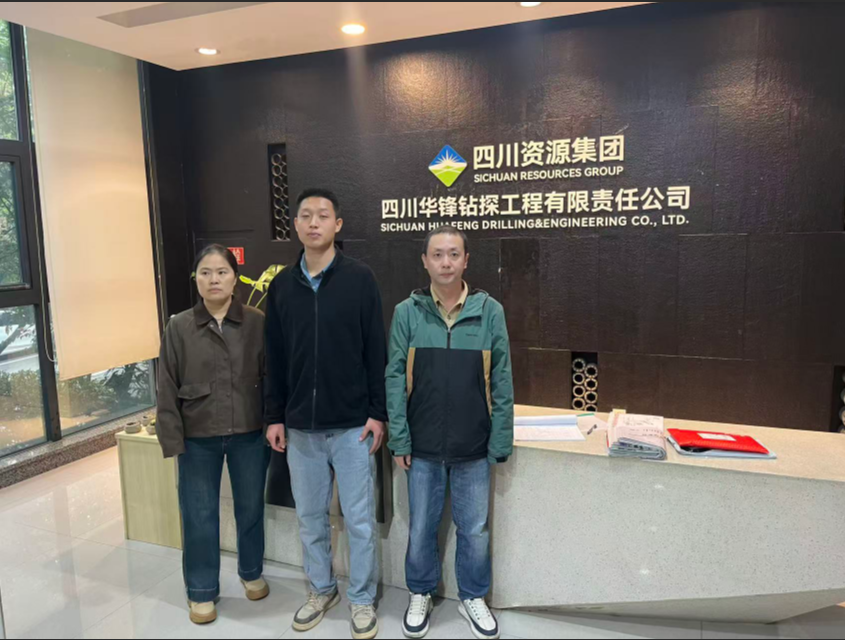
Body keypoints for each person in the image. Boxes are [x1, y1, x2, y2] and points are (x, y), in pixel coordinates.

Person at [264, 188, 387, 640]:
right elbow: (274, 357)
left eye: (322, 215)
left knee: (359, 520)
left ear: (338, 224)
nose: (313, 222)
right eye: (305, 216)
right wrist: (274, 416)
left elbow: (376, 350)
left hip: (353, 426)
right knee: (310, 518)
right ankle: (321, 590)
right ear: (296, 225)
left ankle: (361, 598)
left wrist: (377, 413)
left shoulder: (360, 279)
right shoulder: (282, 286)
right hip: (300, 428)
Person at [386, 225, 514, 640]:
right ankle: (420, 592)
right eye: (437, 254)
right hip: (421, 445)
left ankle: (473, 596)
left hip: (473, 444)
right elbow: (393, 378)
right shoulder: (407, 312)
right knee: (421, 526)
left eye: (454, 254)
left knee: (474, 529)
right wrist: (399, 438)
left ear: (466, 260)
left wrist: (500, 439)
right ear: (425, 261)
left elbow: (502, 380)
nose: (446, 262)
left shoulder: (489, 311)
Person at [156, 245, 270, 625]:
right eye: (205, 272)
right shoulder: (179, 326)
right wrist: (172, 439)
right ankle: (202, 590)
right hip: (197, 436)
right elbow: (166, 385)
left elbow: (270, 376)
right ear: (196, 279)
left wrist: (274, 422)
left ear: (235, 278)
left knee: (250, 507)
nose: (214, 279)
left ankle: (251, 572)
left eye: (222, 272)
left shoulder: (256, 321)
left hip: (249, 432)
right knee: (199, 514)